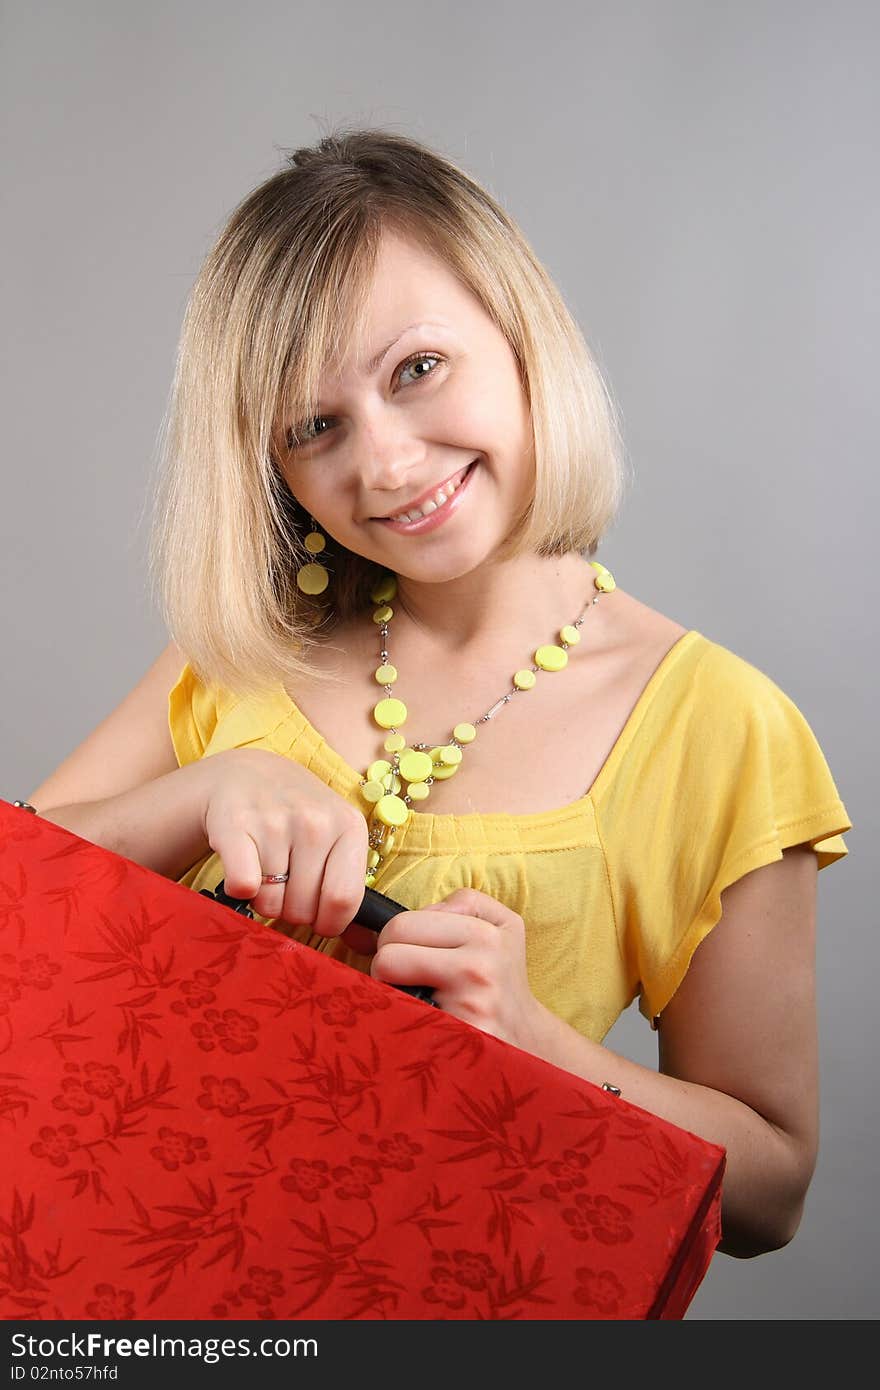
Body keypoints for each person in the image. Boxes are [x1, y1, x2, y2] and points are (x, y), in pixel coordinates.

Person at [26, 128, 851, 1263]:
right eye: (315, 428)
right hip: (116, 1280)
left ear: (520, 329)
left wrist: (532, 1039)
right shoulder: (238, 652)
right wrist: (203, 790)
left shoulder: (720, 725)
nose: (388, 466)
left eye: (416, 369)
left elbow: (770, 1192)